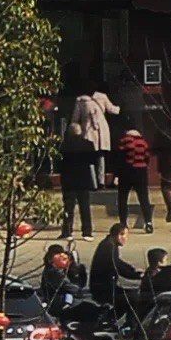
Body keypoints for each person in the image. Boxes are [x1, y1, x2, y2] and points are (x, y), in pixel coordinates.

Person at [62, 89, 123, 239]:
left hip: (88, 132)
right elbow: (113, 110)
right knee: (100, 157)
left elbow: (75, 119)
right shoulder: (102, 97)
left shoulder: (80, 102)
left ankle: (67, 231)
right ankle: (100, 181)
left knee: (69, 205)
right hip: (101, 132)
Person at [87, 222, 140, 319]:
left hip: (106, 287)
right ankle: (128, 325)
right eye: (125, 235)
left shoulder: (109, 244)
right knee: (134, 299)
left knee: (129, 297)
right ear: (119, 235)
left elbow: (117, 262)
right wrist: (136, 276)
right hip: (103, 289)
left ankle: (110, 319)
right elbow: (116, 267)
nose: (126, 239)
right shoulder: (109, 247)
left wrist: (132, 269)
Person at [115, 123, 154, 231]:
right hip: (141, 172)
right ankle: (148, 222)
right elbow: (147, 158)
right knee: (144, 198)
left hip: (126, 172)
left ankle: (123, 223)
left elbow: (120, 158)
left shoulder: (124, 141)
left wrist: (117, 174)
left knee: (122, 198)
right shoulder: (143, 143)